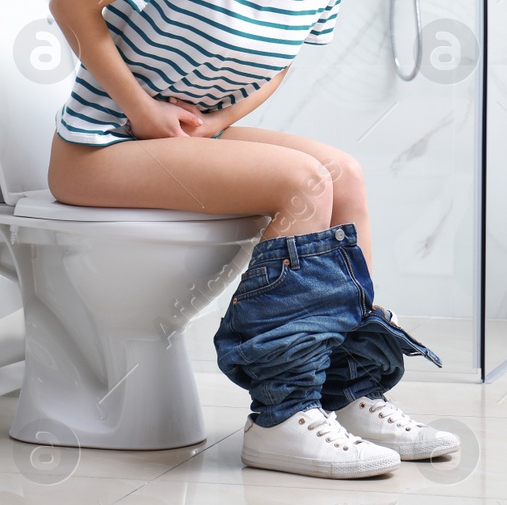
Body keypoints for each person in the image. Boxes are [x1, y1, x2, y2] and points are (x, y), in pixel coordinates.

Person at [47, 0, 459, 479]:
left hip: (187, 138)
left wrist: (219, 122)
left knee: (343, 174)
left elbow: (279, 61)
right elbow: (68, 5)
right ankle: (282, 414)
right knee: (303, 181)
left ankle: (348, 392)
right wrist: (139, 107)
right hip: (100, 144)